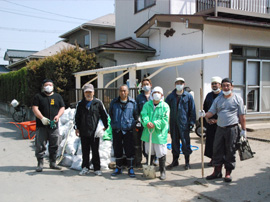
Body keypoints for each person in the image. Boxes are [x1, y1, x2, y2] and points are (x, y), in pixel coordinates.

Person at [199, 78, 247, 182]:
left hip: (232, 129)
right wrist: (204, 114)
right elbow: (211, 112)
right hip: (220, 129)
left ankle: (228, 173)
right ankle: (217, 172)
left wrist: (244, 130)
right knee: (217, 150)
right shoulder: (218, 99)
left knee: (230, 151)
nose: (225, 87)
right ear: (221, 87)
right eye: (224, 85)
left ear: (232, 87)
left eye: (227, 85)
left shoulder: (237, 99)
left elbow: (242, 116)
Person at [74, 84, 108, 176]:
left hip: (95, 132)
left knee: (95, 150)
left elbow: (104, 115)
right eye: (86, 92)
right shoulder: (80, 104)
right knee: (85, 150)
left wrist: (106, 126)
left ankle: (97, 168)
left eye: (90, 92)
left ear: (93, 92)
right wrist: (76, 128)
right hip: (84, 131)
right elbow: (76, 117)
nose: (88, 94)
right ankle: (85, 167)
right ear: (84, 93)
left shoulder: (98, 103)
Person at [32, 79, 65, 172]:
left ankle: (53, 163)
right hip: (41, 126)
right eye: (46, 85)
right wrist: (41, 118)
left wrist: (58, 116)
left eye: (50, 85)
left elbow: (62, 107)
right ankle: (40, 163)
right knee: (40, 145)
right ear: (43, 86)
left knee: (54, 144)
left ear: (53, 86)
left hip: (53, 126)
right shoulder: (38, 97)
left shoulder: (57, 96)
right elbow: (35, 108)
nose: (48, 86)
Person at [165, 77, 196, 170]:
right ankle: (175, 161)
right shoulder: (170, 96)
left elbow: (192, 110)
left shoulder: (188, 96)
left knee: (186, 142)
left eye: (181, 83)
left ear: (184, 84)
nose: (179, 84)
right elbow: (165, 108)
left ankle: (187, 162)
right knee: (174, 142)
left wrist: (192, 122)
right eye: (177, 83)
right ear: (175, 84)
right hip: (173, 123)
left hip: (184, 124)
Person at [140, 86, 170, 180]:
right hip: (148, 132)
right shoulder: (147, 105)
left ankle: (162, 171)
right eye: (155, 92)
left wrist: (154, 124)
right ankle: (149, 169)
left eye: (158, 93)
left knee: (161, 153)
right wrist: (147, 122)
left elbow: (165, 120)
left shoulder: (165, 106)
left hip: (159, 134)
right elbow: (143, 115)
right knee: (149, 151)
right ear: (152, 94)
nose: (156, 94)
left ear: (162, 95)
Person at [109, 84, 138, 177]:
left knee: (129, 149)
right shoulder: (114, 103)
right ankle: (118, 168)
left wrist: (132, 124)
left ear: (128, 92)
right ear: (119, 92)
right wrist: (114, 123)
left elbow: (136, 115)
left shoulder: (132, 103)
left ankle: (130, 168)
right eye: (121, 90)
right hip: (117, 129)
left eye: (125, 90)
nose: (123, 92)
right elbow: (111, 114)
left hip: (128, 130)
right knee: (117, 149)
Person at [203, 76, 222, 166]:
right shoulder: (209, 95)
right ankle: (212, 158)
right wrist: (206, 119)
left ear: (220, 85)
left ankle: (218, 160)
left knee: (219, 142)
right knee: (210, 141)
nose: (214, 85)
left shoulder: (223, 95)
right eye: (213, 84)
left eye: (216, 83)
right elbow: (205, 108)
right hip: (210, 123)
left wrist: (217, 120)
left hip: (221, 124)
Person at [135, 78, 153, 167]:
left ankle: (152, 159)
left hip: (152, 124)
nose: (146, 86)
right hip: (142, 123)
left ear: (150, 85)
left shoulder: (154, 95)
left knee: (152, 142)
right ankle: (142, 160)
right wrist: (138, 119)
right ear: (142, 86)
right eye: (144, 85)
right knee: (142, 142)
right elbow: (136, 110)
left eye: (147, 84)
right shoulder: (139, 97)